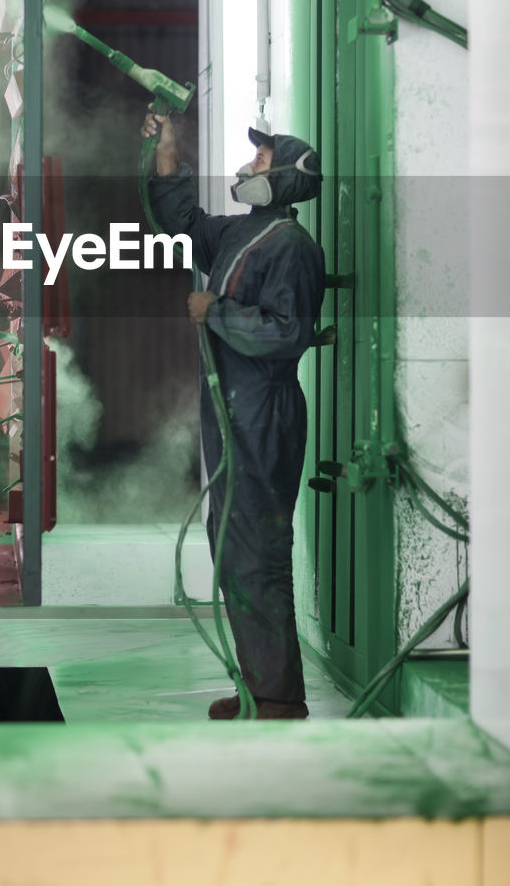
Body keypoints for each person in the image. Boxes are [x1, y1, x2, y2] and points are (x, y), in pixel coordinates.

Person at [142, 113, 325, 720]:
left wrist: (216, 310)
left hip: (263, 415)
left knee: (257, 551)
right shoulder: (242, 232)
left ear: (285, 179)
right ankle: (260, 685)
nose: (249, 165)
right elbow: (181, 222)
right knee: (232, 545)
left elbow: (287, 333)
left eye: (262, 159)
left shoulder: (293, 248)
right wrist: (166, 148)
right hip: (234, 414)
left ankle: (278, 696)